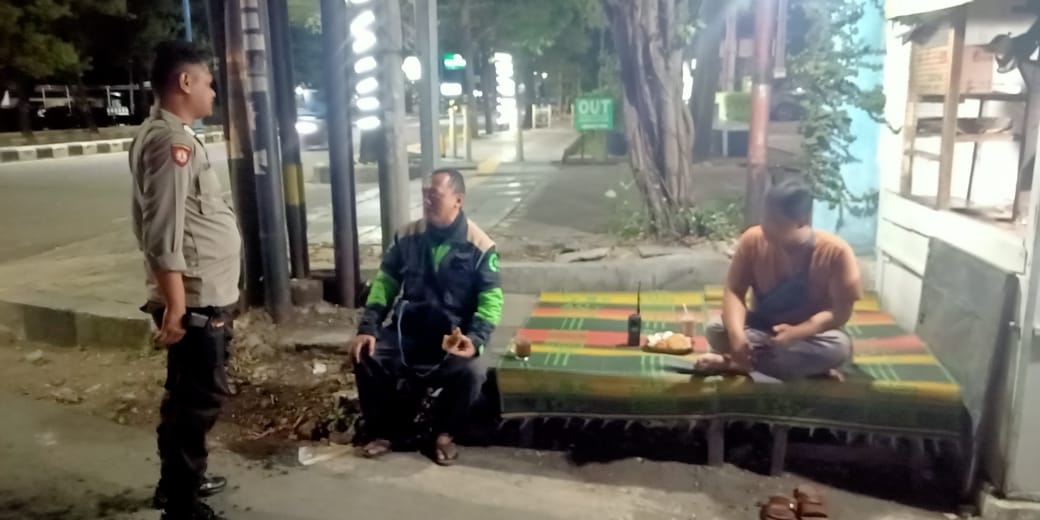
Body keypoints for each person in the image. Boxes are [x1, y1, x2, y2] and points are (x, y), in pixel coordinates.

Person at [129, 41, 240, 520]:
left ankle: (177, 482)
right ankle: (181, 504)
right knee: (198, 401)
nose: (214, 92)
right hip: (193, 299)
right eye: (209, 82)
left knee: (184, 395)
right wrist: (176, 305)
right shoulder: (171, 143)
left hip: (195, 295)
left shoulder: (167, 135)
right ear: (186, 82)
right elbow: (162, 231)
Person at [349, 168, 504, 465]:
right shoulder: (407, 236)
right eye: (425, 195)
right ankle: (386, 432)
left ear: (458, 200)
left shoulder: (480, 246)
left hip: (452, 340)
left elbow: (491, 299)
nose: (428, 201)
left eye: (435, 195)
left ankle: (444, 433)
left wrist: (475, 339)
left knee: (473, 371)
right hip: (407, 334)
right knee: (365, 353)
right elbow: (385, 283)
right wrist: (368, 327)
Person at [696, 178, 862, 382]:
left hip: (809, 335)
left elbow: (841, 312)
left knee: (838, 348)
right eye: (764, 218)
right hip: (763, 329)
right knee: (716, 329)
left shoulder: (836, 252)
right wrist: (737, 336)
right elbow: (734, 290)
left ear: (801, 220)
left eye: (775, 221)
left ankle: (736, 363)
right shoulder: (753, 240)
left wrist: (798, 332)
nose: (766, 227)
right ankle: (802, 370)